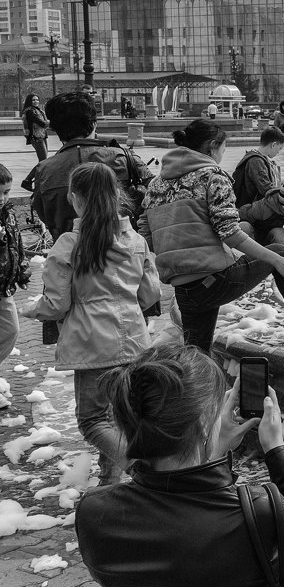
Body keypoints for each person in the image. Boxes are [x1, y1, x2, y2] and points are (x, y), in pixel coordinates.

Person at [74, 344, 284, 586]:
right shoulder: (260, 513)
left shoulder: (96, 512)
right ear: (203, 422)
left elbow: (190, 512)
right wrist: (276, 449)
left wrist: (216, 451)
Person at [139, 120, 284, 351]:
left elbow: (145, 236)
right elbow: (229, 233)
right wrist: (277, 261)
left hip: (184, 288)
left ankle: (195, 386)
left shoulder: (156, 184)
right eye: (223, 150)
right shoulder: (213, 177)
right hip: (214, 281)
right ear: (213, 147)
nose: (222, 155)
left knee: (198, 356)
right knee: (279, 252)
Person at [31, 163, 160, 483]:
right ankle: (110, 482)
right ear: (115, 196)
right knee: (117, 418)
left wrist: (32, 309)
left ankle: (143, 472)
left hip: (92, 345)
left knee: (92, 421)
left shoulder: (69, 244)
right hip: (134, 338)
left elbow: (55, 304)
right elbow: (150, 294)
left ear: (75, 200)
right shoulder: (135, 240)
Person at [21, 92, 153, 241]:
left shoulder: (44, 170)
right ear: (94, 124)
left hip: (69, 253)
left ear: (55, 130)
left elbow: (44, 213)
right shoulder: (126, 158)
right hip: (126, 252)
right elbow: (155, 198)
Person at [0, 165, 29, 369]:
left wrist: (22, 270)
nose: (2, 198)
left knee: (11, 330)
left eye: (6, 192)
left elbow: (17, 243)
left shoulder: (8, 214)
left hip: (4, 287)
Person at [232, 127, 284, 207]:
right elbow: (266, 189)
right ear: (273, 145)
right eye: (279, 148)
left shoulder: (256, 157)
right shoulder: (256, 161)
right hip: (249, 209)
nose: (278, 152)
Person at [22, 94, 49, 162]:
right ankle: (38, 173)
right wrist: (49, 122)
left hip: (42, 136)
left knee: (43, 159)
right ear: (29, 101)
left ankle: (39, 172)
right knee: (43, 160)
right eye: (33, 100)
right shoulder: (29, 111)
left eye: (37, 100)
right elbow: (40, 122)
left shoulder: (39, 110)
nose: (36, 101)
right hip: (36, 137)